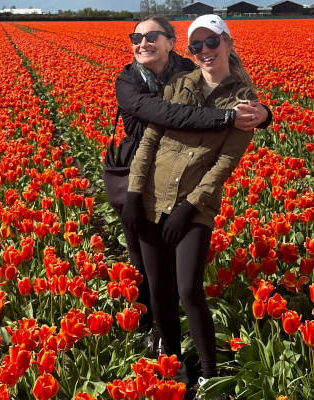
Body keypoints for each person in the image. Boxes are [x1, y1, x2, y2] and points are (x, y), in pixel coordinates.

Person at [121, 14, 262, 397]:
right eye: (195, 46)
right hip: (152, 194)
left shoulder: (246, 101)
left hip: (196, 205)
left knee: (188, 289)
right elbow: (150, 138)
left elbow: (224, 164)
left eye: (210, 43)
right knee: (159, 286)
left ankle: (207, 373)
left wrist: (190, 206)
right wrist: (135, 192)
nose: (203, 51)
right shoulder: (181, 82)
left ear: (228, 43)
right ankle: (170, 358)